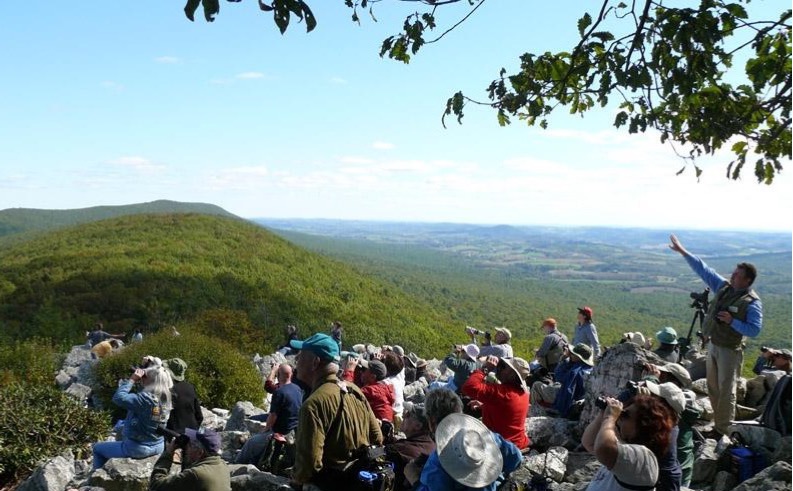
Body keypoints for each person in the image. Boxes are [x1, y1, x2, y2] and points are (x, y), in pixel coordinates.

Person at [669, 234, 763, 436]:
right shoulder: (724, 288)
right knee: (713, 387)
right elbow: (704, 270)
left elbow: (754, 329)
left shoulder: (752, 302)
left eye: (737, 275)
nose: (732, 276)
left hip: (730, 350)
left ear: (747, 280)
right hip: (713, 345)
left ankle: (723, 430)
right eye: (733, 272)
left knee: (726, 391)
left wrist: (732, 321)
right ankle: (719, 424)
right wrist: (683, 252)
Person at [288, 332, 383, 489]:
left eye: (301, 355)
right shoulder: (354, 390)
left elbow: (308, 466)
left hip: (334, 483)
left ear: (315, 362)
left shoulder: (313, 404)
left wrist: (295, 478)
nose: (297, 359)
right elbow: (377, 437)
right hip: (359, 479)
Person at [406, 388, 522, 491]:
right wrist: (492, 472)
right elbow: (516, 459)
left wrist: (414, 479)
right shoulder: (488, 437)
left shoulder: (439, 460)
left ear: (431, 421)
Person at [582, 392, 677, 491]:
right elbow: (589, 442)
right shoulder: (624, 447)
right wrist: (603, 413)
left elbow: (603, 448)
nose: (620, 417)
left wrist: (609, 417)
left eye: (626, 415)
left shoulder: (644, 459)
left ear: (644, 425)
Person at [92, 363, 173, 469]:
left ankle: (95, 479)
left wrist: (132, 380)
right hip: (158, 445)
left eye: (145, 377)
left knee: (97, 448)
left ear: (151, 381)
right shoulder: (166, 397)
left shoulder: (145, 400)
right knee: (121, 429)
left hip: (139, 447)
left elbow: (119, 398)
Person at [236, 362, 303, 465]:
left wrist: (265, 429)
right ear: (291, 374)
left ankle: (237, 463)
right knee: (255, 419)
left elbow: (273, 416)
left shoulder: (279, 392)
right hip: (293, 428)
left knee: (251, 442)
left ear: (278, 375)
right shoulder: (297, 388)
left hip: (280, 431)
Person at [461, 356, 531, 449]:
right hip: (518, 442)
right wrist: (484, 405)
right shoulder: (523, 393)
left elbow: (469, 387)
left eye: (503, 366)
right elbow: (507, 409)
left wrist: (484, 369)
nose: (499, 368)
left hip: (500, 446)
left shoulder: (502, 393)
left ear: (512, 375)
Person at [149, 428, 230, 491]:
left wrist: (168, 452)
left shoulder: (196, 474)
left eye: (190, 444)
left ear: (199, 453)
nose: (186, 447)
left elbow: (156, 485)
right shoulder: (222, 465)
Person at [531, 343, 594, 418]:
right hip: (577, 396)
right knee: (554, 385)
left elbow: (558, 375)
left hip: (566, 398)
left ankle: (537, 411)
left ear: (578, 357)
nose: (571, 354)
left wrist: (564, 358)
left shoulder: (575, 372)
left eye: (573, 354)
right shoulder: (586, 368)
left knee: (536, 385)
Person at [385, 404, 435, 491]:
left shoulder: (402, 448)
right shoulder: (433, 446)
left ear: (418, 426)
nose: (403, 416)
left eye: (408, 415)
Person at [163, 358, 204, 435]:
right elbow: (199, 416)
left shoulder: (166, 389)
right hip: (191, 432)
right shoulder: (190, 387)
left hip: (173, 434)